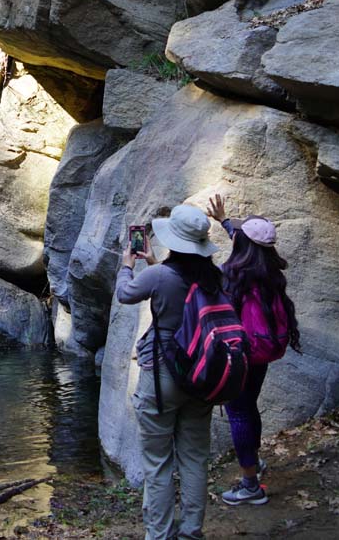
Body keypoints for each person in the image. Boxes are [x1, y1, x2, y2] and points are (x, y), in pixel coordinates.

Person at [116, 204, 223, 540]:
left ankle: (159, 535)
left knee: (158, 461)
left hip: (162, 375)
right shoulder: (213, 277)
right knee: (194, 458)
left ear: (174, 240)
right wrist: (151, 260)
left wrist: (127, 265)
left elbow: (125, 294)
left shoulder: (160, 276)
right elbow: (180, 288)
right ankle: (191, 531)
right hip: (202, 374)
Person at [206, 194, 301, 507]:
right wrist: (224, 221)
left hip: (241, 355)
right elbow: (243, 238)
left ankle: (250, 486)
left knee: (238, 413)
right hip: (263, 353)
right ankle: (254, 463)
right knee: (249, 405)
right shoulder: (269, 268)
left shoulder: (233, 275)